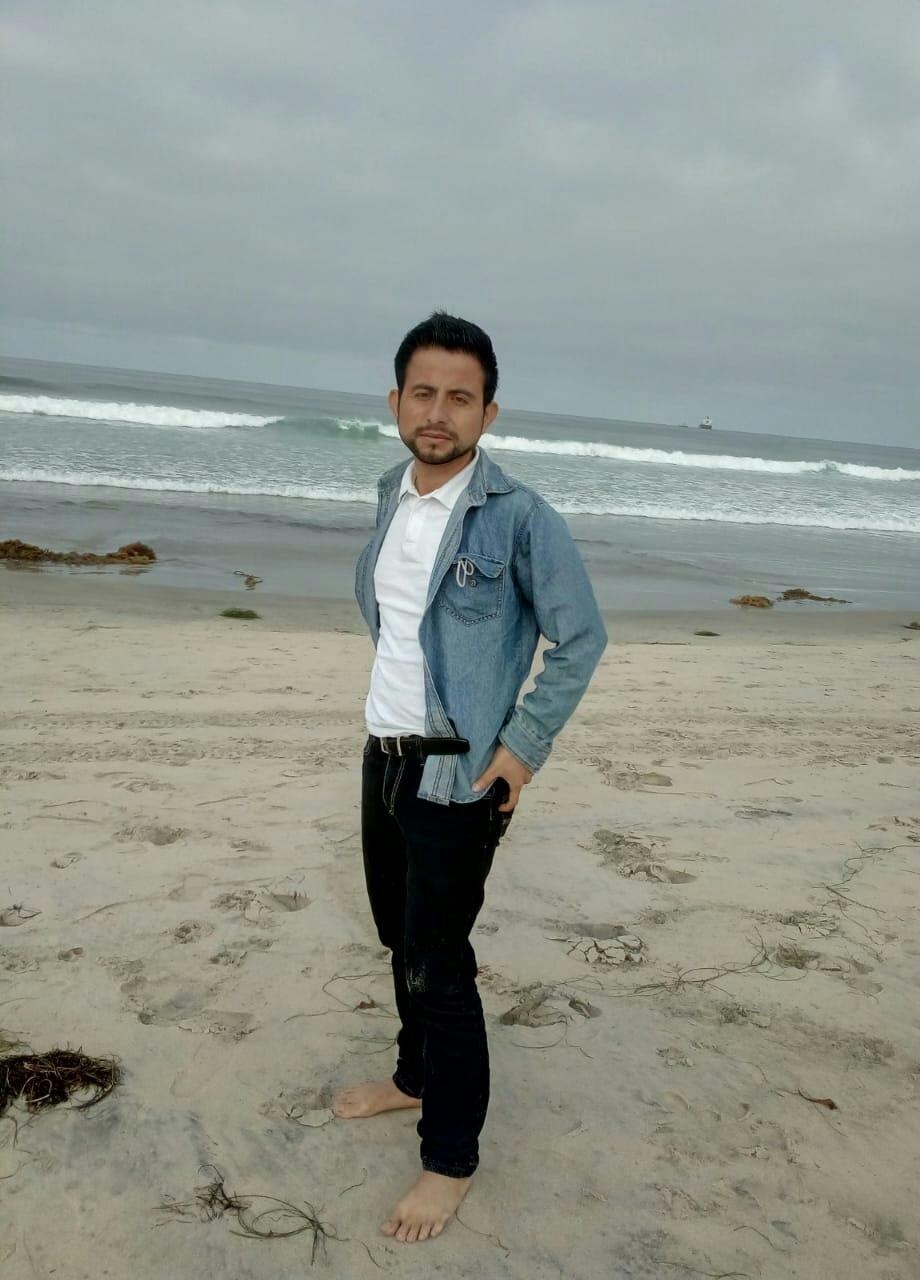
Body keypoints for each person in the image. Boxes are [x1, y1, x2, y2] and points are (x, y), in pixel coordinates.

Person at [334, 311, 606, 1244]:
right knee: (396, 938)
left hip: (457, 781)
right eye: (424, 393)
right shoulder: (391, 492)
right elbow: (402, 630)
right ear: (395, 401)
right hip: (384, 758)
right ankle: (415, 1079)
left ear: (489, 413)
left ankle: (450, 1158)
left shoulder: (521, 517)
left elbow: (581, 639)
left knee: (439, 966)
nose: (438, 413)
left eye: (460, 397)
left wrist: (520, 748)